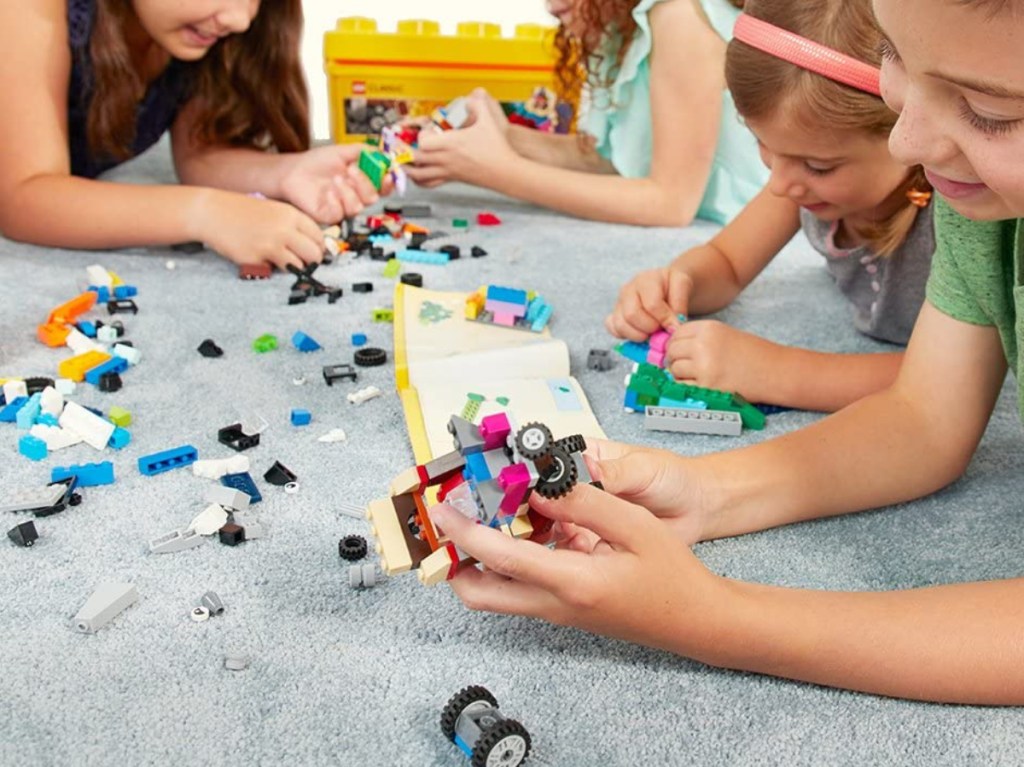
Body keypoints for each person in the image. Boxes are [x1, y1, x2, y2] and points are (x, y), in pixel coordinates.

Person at [428, 0, 1024, 705]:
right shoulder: (976, 199)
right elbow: (926, 417)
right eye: (895, 56)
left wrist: (714, 618)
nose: (907, 141)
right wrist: (703, 492)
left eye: (989, 110)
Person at [606, 0, 935, 412]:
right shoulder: (798, 184)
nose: (780, 184)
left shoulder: (957, 220)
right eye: (763, 145)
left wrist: (776, 371)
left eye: (818, 166)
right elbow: (726, 261)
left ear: (912, 134)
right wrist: (678, 282)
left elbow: (949, 377)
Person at [0, 0, 381, 270]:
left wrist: (285, 173)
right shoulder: (27, 9)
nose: (241, 19)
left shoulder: (187, 35)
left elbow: (199, 157)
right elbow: (23, 198)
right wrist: (204, 213)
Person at [406, 0, 768, 227]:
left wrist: (495, 170)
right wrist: (505, 137)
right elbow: (613, 162)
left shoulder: (679, 15)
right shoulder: (625, 29)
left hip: (753, 234)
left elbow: (671, 204)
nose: (549, 7)